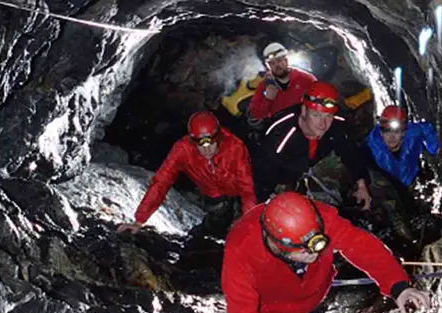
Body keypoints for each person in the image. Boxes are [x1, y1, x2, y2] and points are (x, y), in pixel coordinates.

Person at [221, 191, 430, 313]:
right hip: (272, 309)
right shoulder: (241, 250)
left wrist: (399, 286)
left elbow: (360, 245)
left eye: (318, 246)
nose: (314, 255)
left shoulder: (320, 219)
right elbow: (242, 312)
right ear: (277, 245)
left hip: (310, 296)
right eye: (304, 252)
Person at [118, 111, 258, 240]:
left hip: (236, 187)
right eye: (200, 144)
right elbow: (161, 182)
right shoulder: (182, 150)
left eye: (211, 143)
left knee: (247, 218)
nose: (207, 149)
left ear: (218, 137)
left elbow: (247, 189)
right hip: (214, 194)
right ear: (192, 141)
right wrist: (139, 220)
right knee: (217, 222)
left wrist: (249, 225)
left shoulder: (234, 147)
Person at [255, 82, 373, 210]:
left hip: (317, 162)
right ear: (304, 110)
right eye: (316, 115)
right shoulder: (279, 134)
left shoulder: (336, 122)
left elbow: (349, 152)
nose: (323, 124)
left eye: (328, 116)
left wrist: (362, 185)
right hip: (284, 173)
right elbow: (262, 175)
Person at [362, 105, 439, 241]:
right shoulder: (370, 147)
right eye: (387, 131)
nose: (392, 137)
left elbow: (428, 132)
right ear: (381, 132)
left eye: (397, 132)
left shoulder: (414, 133)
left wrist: (434, 148)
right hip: (386, 186)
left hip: (408, 181)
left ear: (404, 131)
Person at [247, 42, 317, 125]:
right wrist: (268, 99)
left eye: (279, 61)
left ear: (286, 61)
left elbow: (319, 106)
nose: (277, 65)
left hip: (304, 128)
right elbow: (255, 114)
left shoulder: (307, 79)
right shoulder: (264, 85)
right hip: (280, 130)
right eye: (272, 63)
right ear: (268, 67)